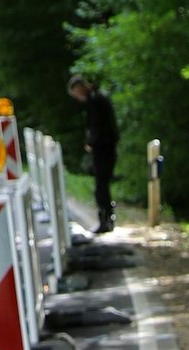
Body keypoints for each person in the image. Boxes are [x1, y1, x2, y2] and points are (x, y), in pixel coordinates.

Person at [67, 75, 119, 232]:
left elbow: (97, 125)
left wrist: (91, 142)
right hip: (106, 145)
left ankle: (106, 218)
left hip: (103, 146)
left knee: (101, 184)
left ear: (80, 88)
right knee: (102, 183)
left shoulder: (95, 101)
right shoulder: (98, 97)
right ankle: (107, 216)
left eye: (76, 94)